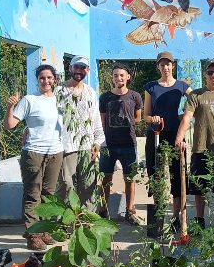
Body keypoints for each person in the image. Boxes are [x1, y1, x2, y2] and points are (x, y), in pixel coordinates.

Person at [3, 64, 64, 251]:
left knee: (48, 194)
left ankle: (45, 229)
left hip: (55, 152)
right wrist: (10, 106)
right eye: (42, 78)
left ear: (55, 79)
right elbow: (9, 125)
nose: (46, 81)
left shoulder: (62, 101)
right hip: (33, 152)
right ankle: (33, 235)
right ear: (38, 80)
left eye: (49, 78)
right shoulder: (30, 100)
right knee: (33, 194)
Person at [174, 59, 214, 225]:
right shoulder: (196, 95)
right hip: (200, 147)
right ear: (205, 74)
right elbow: (187, 118)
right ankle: (200, 220)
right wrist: (179, 138)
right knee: (199, 187)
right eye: (210, 72)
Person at [143, 51, 191, 226]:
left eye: (168, 64)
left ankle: (175, 217)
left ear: (173, 66)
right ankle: (158, 215)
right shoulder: (151, 87)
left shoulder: (181, 86)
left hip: (175, 137)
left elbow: (195, 101)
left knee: (177, 176)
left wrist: (184, 117)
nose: (165, 67)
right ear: (158, 67)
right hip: (155, 135)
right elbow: (145, 115)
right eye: (162, 64)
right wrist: (152, 118)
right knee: (155, 174)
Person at [58, 56, 105, 212]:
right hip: (66, 146)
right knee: (66, 186)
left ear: (87, 71)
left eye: (83, 68)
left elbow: (95, 120)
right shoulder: (59, 91)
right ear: (70, 68)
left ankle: (86, 221)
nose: (79, 71)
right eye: (76, 67)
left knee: (88, 186)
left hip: (87, 146)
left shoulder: (90, 92)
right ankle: (64, 222)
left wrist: (98, 142)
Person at [99, 63, 143, 225]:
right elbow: (102, 120)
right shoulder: (105, 97)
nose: (119, 78)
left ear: (128, 77)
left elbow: (138, 118)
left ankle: (130, 211)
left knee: (129, 178)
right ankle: (103, 211)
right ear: (112, 78)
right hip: (108, 145)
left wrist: (128, 122)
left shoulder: (135, 96)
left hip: (128, 144)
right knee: (105, 179)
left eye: (122, 75)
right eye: (116, 75)